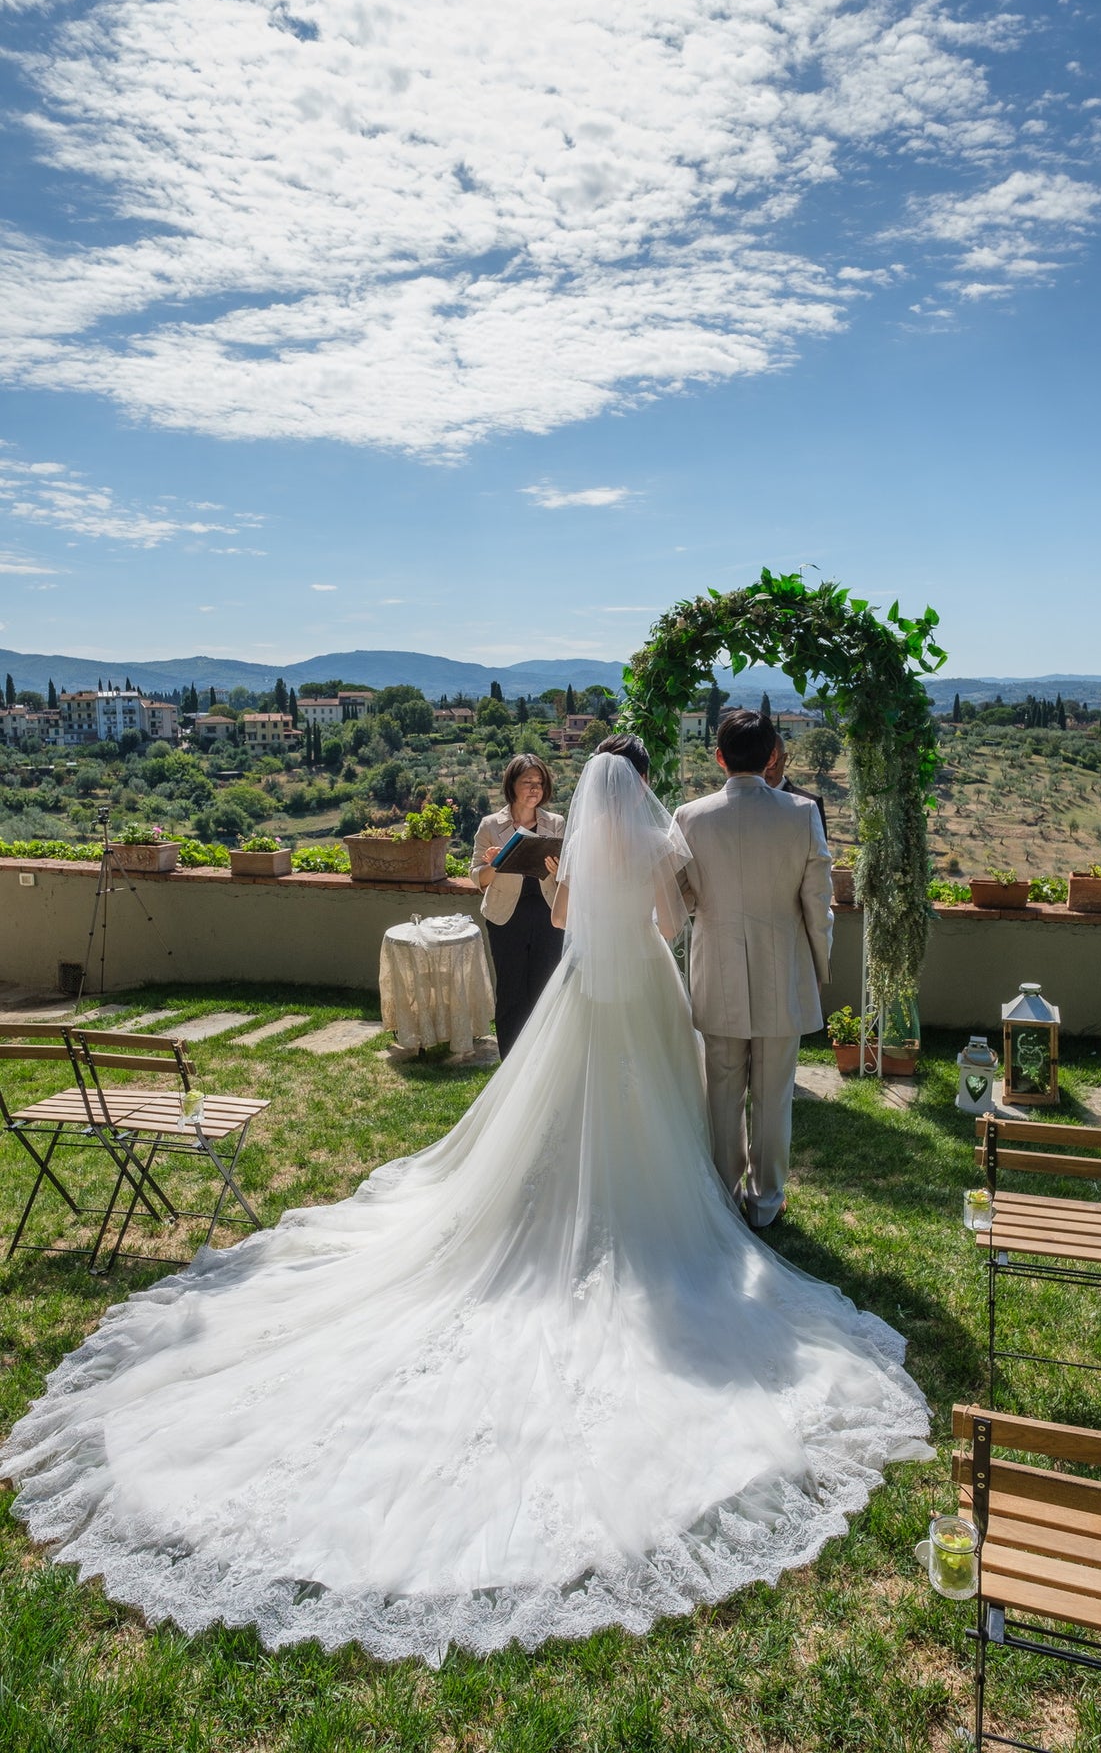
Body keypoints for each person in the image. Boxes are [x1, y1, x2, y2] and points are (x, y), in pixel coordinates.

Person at [1, 739, 928, 1668]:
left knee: (569, 1106)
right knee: (665, 1098)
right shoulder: (660, 838)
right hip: (643, 976)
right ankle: (721, 1197)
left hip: (586, 980)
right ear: (645, 784)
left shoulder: (586, 845)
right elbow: (671, 922)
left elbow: (560, 914)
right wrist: (653, 929)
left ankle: (571, 1195)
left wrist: (578, 897)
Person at [675, 710, 833, 1230]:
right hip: (781, 970)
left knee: (722, 1091)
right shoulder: (801, 813)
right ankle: (766, 1202)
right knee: (773, 1095)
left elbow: (685, 898)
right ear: (771, 758)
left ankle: (723, 1194)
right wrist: (818, 964)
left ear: (718, 757)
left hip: (715, 968)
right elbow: (818, 903)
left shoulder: (689, 816)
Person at [471, 753, 564, 1057]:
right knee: (511, 992)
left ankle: (540, 1060)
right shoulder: (490, 826)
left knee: (544, 991)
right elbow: (478, 879)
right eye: (527, 782)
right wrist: (495, 863)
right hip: (505, 919)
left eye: (539, 782)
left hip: (548, 916)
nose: (534, 788)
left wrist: (558, 868)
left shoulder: (556, 823)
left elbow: (568, 874)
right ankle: (509, 1060)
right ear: (512, 785)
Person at [764, 731, 828, 837]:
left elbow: (819, 852)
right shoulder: (743, 802)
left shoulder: (809, 805)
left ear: (784, 759)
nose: (764, 771)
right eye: (759, 765)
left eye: (771, 765)